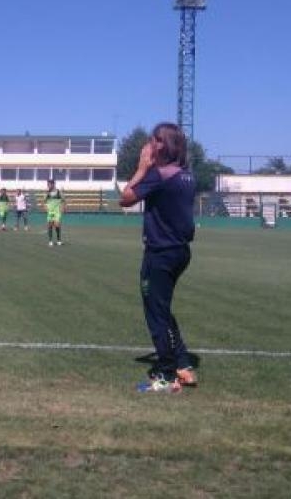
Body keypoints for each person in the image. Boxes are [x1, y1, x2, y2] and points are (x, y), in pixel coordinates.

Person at [120, 123, 197, 394]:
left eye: (154, 140)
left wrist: (142, 168)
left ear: (164, 145)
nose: (149, 144)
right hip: (180, 252)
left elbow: (125, 198)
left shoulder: (159, 175)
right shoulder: (187, 176)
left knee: (156, 314)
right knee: (162, 309)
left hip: (160, 253)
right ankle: (183, 364)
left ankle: (166, 375)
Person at [44, 179, 65, 245]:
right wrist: (45, 207)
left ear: (53, 184)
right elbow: (44, 201)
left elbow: (63, 201)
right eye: (48, 184)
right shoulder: (47, 193)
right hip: (50, 211)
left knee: (57, 225)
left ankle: (58, 240)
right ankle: (50, 240)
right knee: (50, 224)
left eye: (49, 184)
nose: (48, 185)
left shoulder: (59, 192)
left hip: (57, 211)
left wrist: (62, 208)